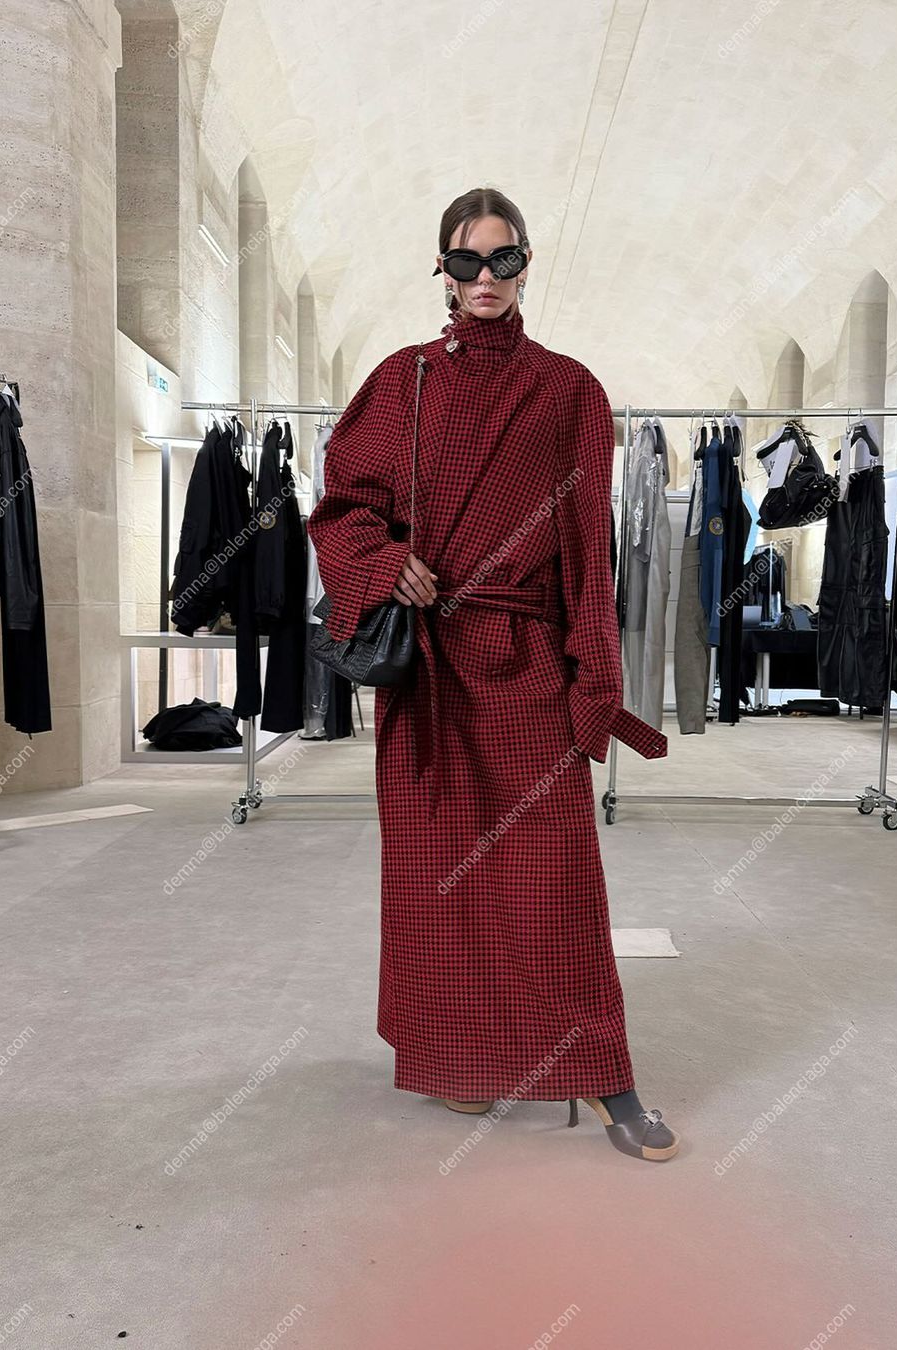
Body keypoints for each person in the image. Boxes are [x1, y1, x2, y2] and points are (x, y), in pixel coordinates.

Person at [307, 187, 680, 1162]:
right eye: (467, 260)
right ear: (441, 267)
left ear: (525, 264)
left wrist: (593, 683)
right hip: (429, 676)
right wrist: (385, 563)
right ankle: (462, 1057)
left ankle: (603, 1073)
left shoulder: (569, 390)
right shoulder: (401, 382)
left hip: (525, 669)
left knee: (554, 881)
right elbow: (343, 506)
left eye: (502, 259)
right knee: (438, 882)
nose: (485, 278)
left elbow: (589, 555)